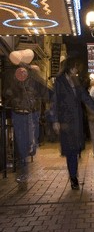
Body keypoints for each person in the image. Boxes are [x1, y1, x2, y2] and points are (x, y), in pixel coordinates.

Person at [49, 56, 94, 190]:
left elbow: (85, 97)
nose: (76, 70)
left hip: (77, 120)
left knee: (77, 148)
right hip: (65, 121)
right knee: (71, 149)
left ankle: (73, 173)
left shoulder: (76, 81)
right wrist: (55, 120)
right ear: (69, 67)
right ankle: (73, 177)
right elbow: (54, 101)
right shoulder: (59, 81)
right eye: (74, 67)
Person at [2, 49, 50, 185]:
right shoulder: (11, 74)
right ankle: (23, 171)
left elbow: (44, 92)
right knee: (20, 143)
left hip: (30, 112)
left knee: (27, 142)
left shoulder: (33, 73)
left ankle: (30, 148)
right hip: (19, 112)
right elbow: (6, 92)